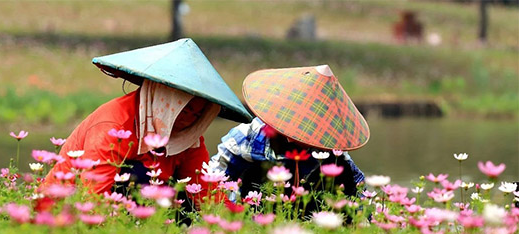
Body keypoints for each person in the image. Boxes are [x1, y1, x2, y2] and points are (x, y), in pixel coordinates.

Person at [43, 39, 252, 196]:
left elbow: (204, 192)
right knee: (141, 176)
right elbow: (91, 198)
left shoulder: (187, 137)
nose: (190, 121)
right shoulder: (114, 126)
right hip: (65, 210)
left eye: (198, 115)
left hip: (139, 213)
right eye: (185, 111)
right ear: (164, 102)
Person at [211, 65, 370, 202]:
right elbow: (213, 178)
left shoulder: (328, 147)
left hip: (303, 205)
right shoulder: (246, 138)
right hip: (254, 205)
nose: (293, 138)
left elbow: (358, 189)